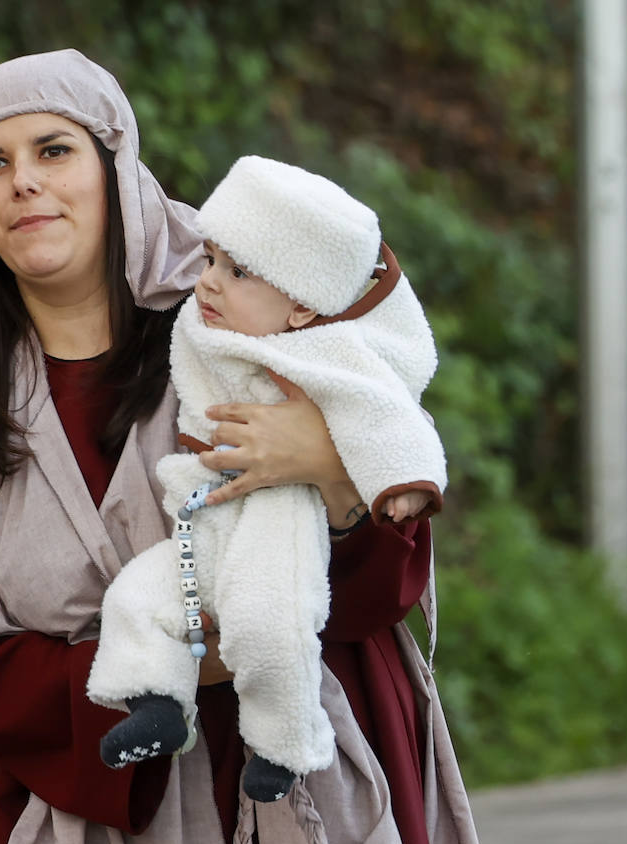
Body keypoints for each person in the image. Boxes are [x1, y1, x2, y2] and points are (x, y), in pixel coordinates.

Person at [0, 49, 493, 844]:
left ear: (116, 170)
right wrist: (184, 672)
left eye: (54, 151)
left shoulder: (237, 327)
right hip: (96, 812)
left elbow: (386, 556)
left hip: (302, 786)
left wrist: (329, 473)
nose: (24, 183)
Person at [88, 156, 446, 808]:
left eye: (240, 271)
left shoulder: (332, 356)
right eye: (211, 260)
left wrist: (403, 480)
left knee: (267, 619)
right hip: (208, 511)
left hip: (279, 514)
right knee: (137, 598)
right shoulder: (206, 328)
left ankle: (287, 742)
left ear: (303, 308)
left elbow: (387, 415)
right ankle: (160, 705)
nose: (210, 285)